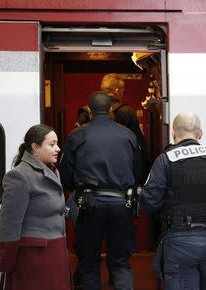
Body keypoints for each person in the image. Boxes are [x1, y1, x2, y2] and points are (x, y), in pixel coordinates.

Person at [139, 112, 206, 290]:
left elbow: (149, 203)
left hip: (179, 240)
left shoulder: (165, 160)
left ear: (173, 132)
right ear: (200, 133)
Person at [60, 91, 142, 290]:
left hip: (88, 205)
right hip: (122, 204)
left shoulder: (77, 135)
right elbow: (138, 172)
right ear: (111, 109)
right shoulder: (128, 134)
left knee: (89, 263)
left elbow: (66, 176)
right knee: (121, 263)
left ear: (89, 110)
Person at [0, 124, 71, 290]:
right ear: (35, 148)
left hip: (53, 255)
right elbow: (9, 224)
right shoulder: (19, 176)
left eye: (57, 144)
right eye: (52, 144)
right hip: (33, 261)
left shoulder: (52, 171)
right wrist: (6, 260)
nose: (58, 148)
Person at [75, 73, 148, 182]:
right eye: (122, 90)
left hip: (89, 178)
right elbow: (140, 146)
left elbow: (75, 148)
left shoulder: (85, 112)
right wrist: (141, 178)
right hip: (120, 177)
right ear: (117, 91)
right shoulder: (127, 112)